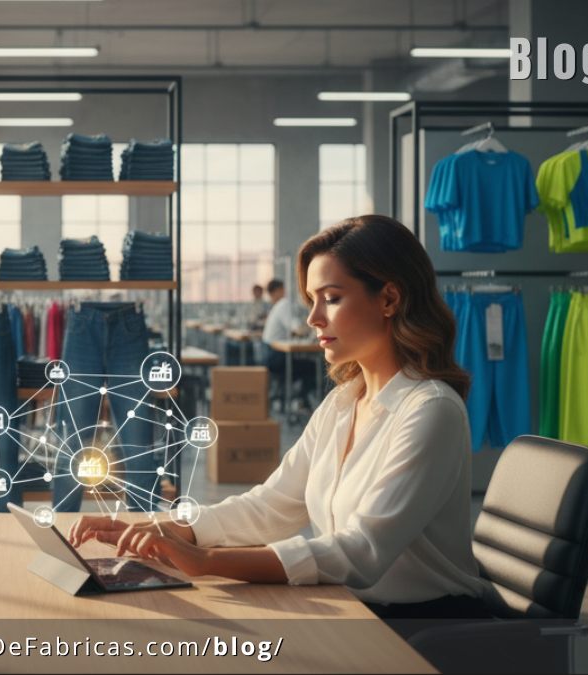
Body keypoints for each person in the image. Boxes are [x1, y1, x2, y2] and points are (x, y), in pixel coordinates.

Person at [70, 215, 490, 620]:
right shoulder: (344, 402)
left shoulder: (431, 410)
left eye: (332, 298)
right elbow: (273, 505)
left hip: (426, 626)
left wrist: (208, 561)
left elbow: (360, 552)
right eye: (312, 300)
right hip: (355, 609)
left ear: (389, 299)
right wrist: (171, 529)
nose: (313, 318)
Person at [261, 280, 317, 410]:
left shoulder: (278, 306)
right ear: (280, 290)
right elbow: (296, 327)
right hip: (276, 357)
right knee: (313, 367)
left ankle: (299, 399)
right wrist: (313, 329)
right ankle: (301, 399)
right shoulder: (283, 304)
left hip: (269, 354)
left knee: (306, 364)